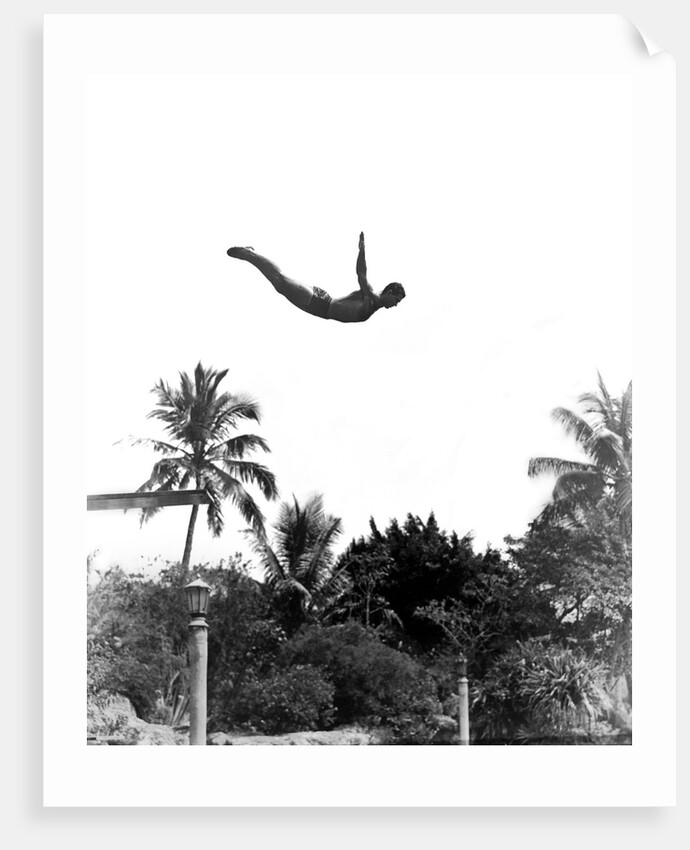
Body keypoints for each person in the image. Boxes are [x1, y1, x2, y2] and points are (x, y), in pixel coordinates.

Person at [226, 232, 405, 323]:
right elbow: (361, 274)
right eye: (396, 300)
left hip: (319, 309)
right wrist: (362, 250)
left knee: (279, 286)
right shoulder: (369, 296)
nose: (395, 304)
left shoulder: (372, 308)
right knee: (280, 282)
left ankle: (251, 255)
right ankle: (250, 254)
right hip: (322, 303)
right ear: (389, 292)